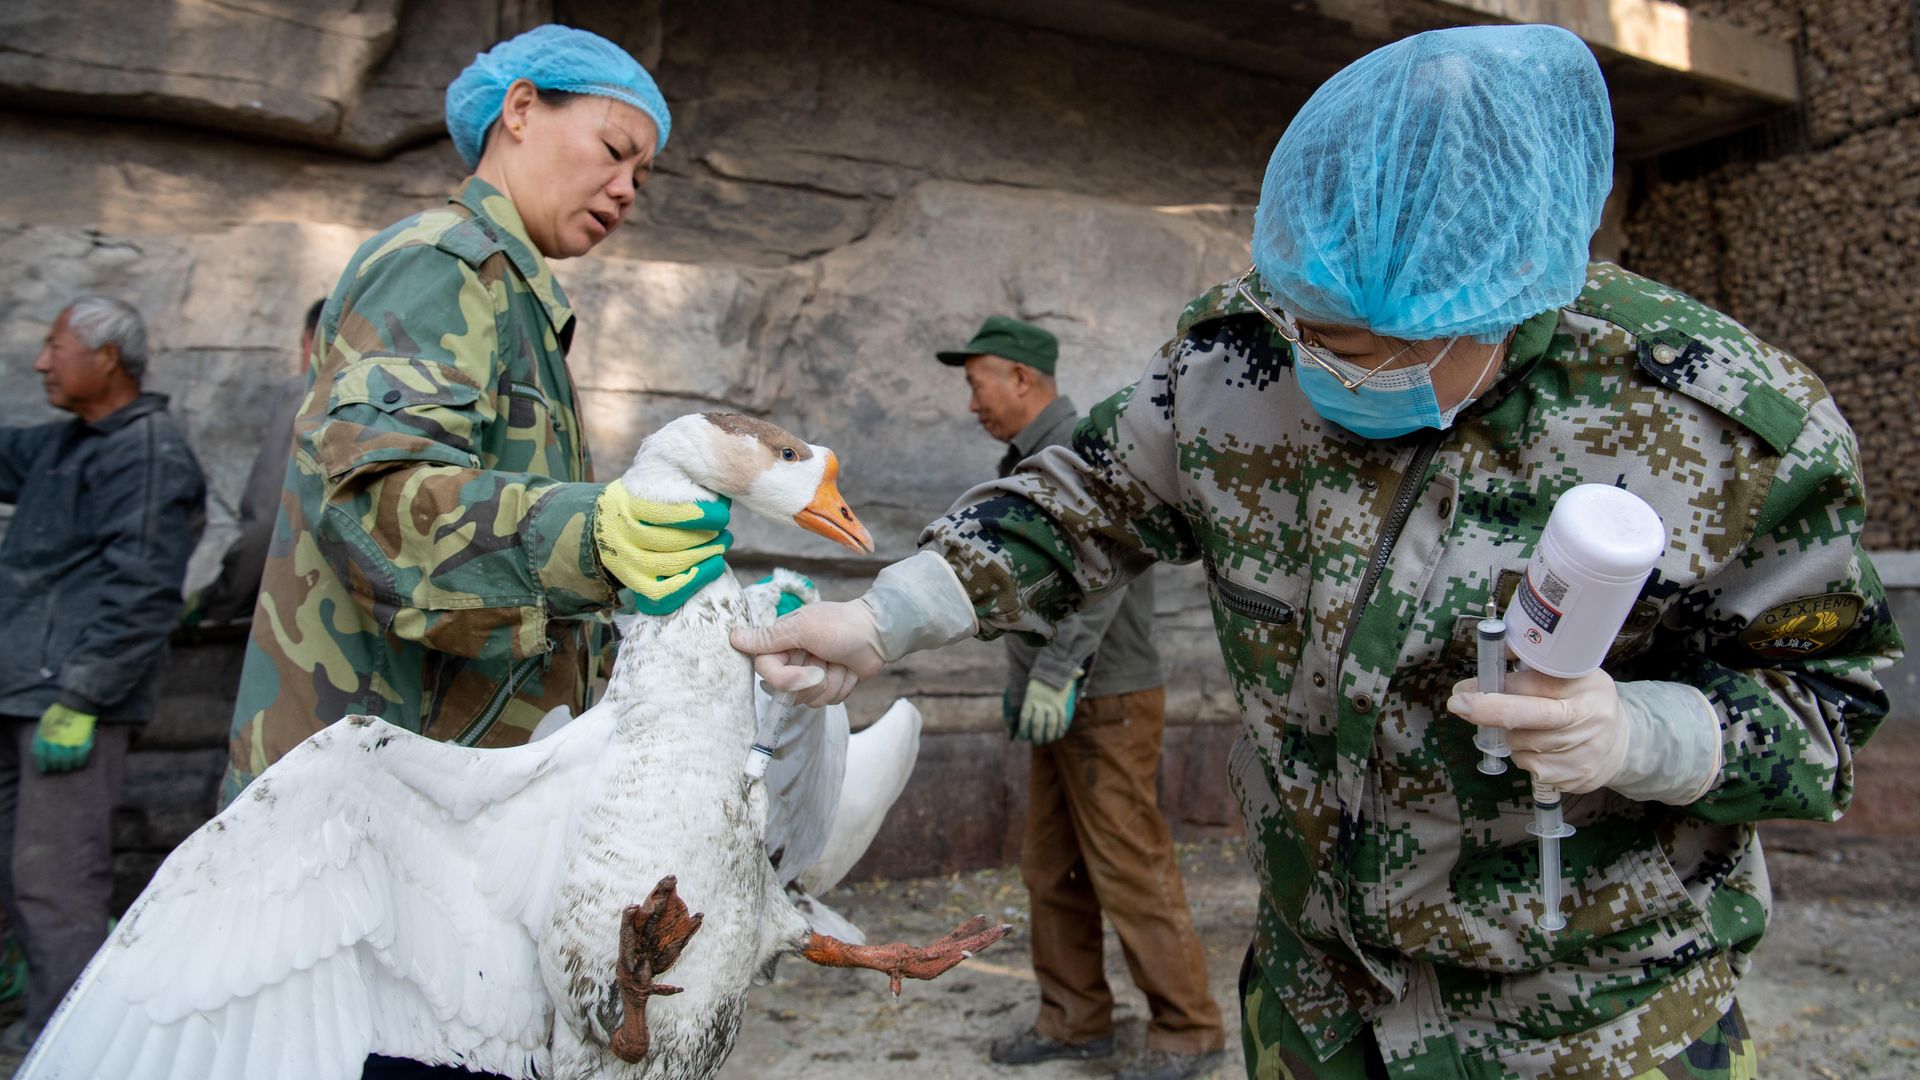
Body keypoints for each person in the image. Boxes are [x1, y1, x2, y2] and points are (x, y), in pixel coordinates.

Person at [733, 25, 1904, 1080]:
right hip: (1318, 1008)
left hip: (1591, 1022)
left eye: (1375, 349)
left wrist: (1640, 733)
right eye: (1308, 330)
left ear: (1498, 298)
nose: (1322, 375)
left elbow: (1825, 705)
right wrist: (886, 618)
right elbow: (1080, 498)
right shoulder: (1238, 357)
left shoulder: (1720, 426)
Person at [936, 316, 1224, 1078]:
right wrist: (1024, 682)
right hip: (1061, 698)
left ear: (1021, 378)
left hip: (1106, 697)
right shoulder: (1030, 456)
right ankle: (1074, 1021)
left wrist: (1059, 672)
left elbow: (1103, 570)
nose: (973, 402)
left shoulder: (1078, 450)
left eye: (977, 383)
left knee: (1129, 864)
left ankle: (1188, 1030)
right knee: (1051, 867)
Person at [0, 297, 207, 1051]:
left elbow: (145, 587)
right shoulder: (64, 446)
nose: (40, 363)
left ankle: (72, 1053)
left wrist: (83, 696)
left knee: (54, 886)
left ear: (106, 357)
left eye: (55, 347)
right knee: (17, 879)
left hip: (66, 703)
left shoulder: (148, 455)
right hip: (20, 690)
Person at [188, 297, 324, 629]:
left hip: (300, 618)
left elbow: (270, 527)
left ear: (312, 342)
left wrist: (217, 603)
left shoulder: (308, 398)